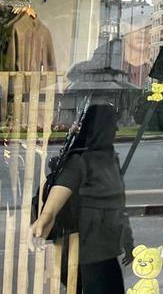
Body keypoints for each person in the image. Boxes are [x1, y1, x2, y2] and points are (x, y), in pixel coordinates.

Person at [29, 103, 133, 294]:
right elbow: (59, 193)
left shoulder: (110, 159)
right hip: (88, 252)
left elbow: (118, 206)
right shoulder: (80, 160)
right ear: (99, 127)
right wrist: (45, 218)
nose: (116, 129)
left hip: (106, 250)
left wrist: (127, 239)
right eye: (112, 124)